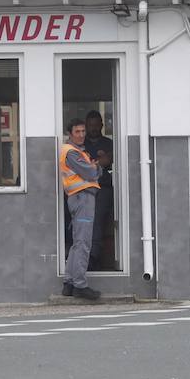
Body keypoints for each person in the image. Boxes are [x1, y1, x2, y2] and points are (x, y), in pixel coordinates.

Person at [60, 118, 102, 300]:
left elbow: (94, 170)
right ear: (70, 134)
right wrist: (94, 167)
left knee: (78, 242)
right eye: (77, 132)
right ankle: (80, 284)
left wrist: (94, 168)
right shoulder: (72, 152)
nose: (82, 135)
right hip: (82, 197)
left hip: (78, 197)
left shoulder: (77, 152)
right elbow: (92, 173)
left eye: (83, 131)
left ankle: (69, 283)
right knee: (83, 242)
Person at [83, 110, 114, 271]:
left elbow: (114, 165)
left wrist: (106, 161)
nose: (94, 128)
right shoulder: (80, 145)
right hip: (83, 189)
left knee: (96, 218)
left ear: (102, 125)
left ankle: (93, 257)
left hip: (104, 189)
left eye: (96, 125)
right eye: (90, 125)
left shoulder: (110, 144)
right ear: (86, 126)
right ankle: (82, 257)